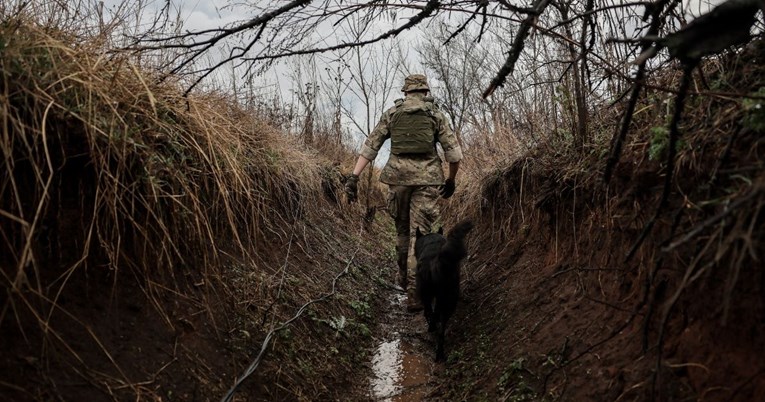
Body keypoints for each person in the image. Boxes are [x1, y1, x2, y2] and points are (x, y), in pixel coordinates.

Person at [344, 74, 463, 312]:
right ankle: (415, 294)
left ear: (406, 92)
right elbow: (454, 154)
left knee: (401, 233)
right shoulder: (435, 115)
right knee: (418, 238)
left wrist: (354, 176)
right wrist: (450, 180)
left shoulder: (392, 113)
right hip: (428, 181)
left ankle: (402, 279)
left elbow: (371, 147)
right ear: (425, 91)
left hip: (397, 181)